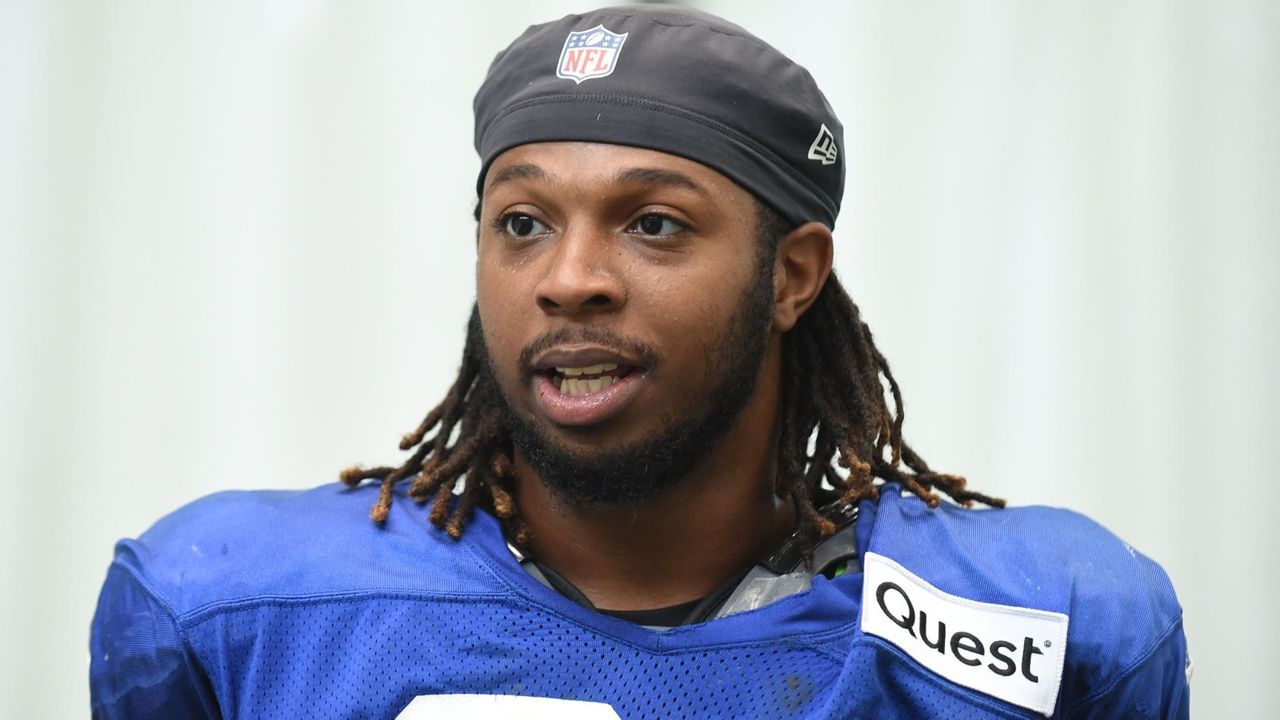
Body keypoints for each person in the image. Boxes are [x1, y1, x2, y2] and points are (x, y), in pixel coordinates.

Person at [89, 5, 1189, 718]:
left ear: (791, 276)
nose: (569, 279)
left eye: (653, 224)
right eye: (521, 223)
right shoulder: (235, 612)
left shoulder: (1045, 623)